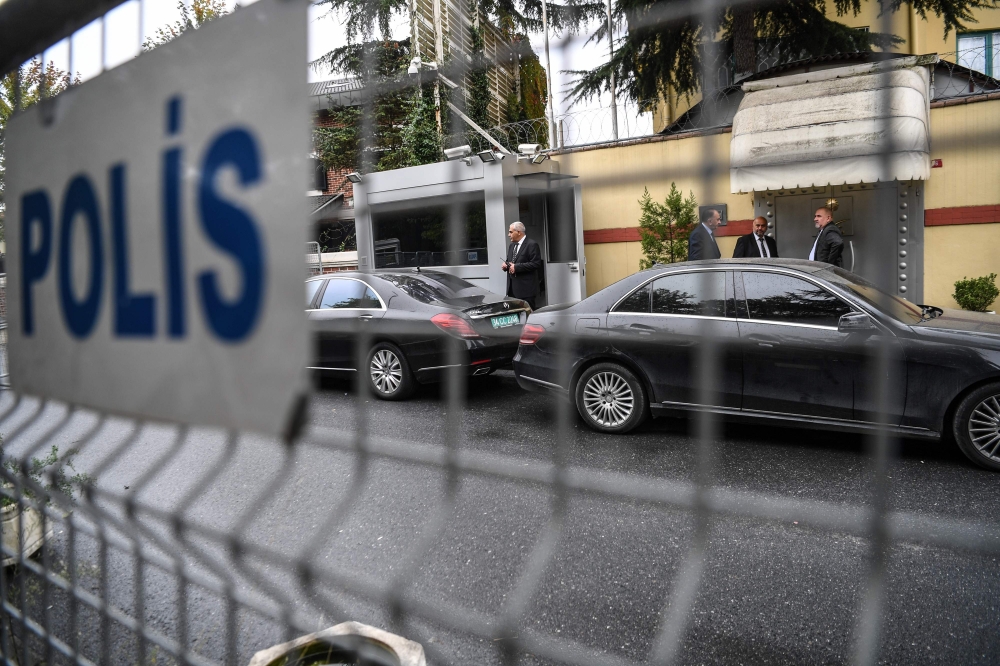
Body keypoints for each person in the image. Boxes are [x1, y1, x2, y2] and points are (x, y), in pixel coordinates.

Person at [500, 221, 542, 309]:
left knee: (528, 317)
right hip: (512, 290)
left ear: (518, 232)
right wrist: (506, 265)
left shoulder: (532, 244)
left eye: (511, 232)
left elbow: (536, 263)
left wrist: (516, 267)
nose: (508, 235)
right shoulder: (512, 246)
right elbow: (511, 261)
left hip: (526, 291)